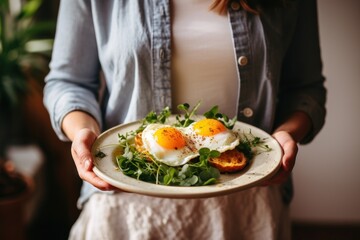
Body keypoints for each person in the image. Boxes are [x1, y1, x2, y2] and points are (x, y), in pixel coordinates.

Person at [44, 0, 326, 239]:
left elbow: (305, 89)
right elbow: (68, 82)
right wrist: (83, 130)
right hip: (128, 205)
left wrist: (287, 133)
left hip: (247, 205)